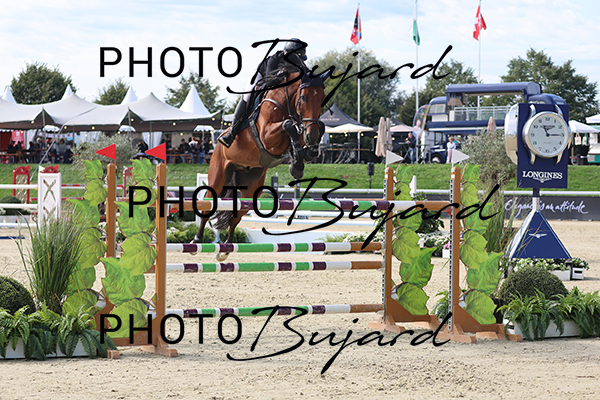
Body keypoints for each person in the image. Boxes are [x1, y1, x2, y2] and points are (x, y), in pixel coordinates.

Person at [218, 38, 309, 148]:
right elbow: (270, 82)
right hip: (261, 75)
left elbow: (308, 76)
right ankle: (231, 133)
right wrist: (280, 76)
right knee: (248, 96)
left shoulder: (299, 63)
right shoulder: (274, 59)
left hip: (275, 80)